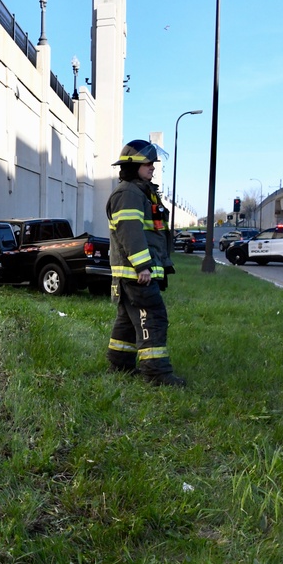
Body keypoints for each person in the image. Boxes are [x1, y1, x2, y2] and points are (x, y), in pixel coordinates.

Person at [105, 139, 185, 387]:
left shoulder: (138, 191)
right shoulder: (128, 193)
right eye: (147, 163)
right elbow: (130, 231)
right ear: (133, 166)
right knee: (152, 317)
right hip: (136, 272)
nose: (153, 166)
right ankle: (157, 373)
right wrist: (143, 266)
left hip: (132, 272)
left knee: (129, 321)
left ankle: (120, 364)